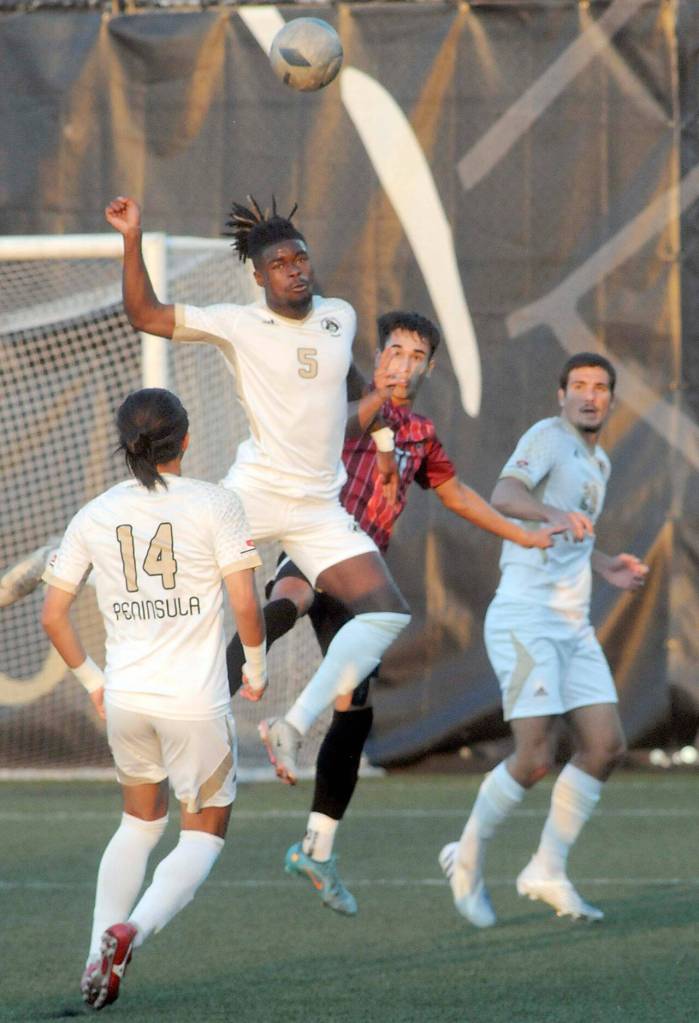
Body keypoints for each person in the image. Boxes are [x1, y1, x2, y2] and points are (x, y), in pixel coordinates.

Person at [227, 310, 562, 915]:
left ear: (429, 368)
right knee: (287, 599)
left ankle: (317, 848)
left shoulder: (420, 434)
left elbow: (455, 494)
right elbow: (333, 382)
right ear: (377, 355)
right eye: (394, 351)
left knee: (354, 712)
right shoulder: (347, 399)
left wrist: (520, 532)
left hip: (361, 580)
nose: (401, 364)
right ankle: (217, 701)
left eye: (415, 357)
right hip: (316, 543)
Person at [100, 194, 412, 785]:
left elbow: (345, 404)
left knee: (388, 613)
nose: (295, 269)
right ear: (259, 274)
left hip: (319, 507)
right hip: (256, 491)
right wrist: (132, 239)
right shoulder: (238, 324)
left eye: (301, 259)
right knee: (162, 564)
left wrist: (387, 445)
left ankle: (291, 725)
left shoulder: (338, 316)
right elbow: (145, 315)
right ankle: (59, 564)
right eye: (281, 264)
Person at [41, 388, 266, 1010]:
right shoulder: (218, 503)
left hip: (128, 699)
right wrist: (255, 666)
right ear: (186, 440)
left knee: (138, 825)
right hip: (192, 702)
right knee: (204, 832)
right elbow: (245, 603)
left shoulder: (93, 513)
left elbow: (54, 616)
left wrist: (93, 684)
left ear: (124, 444)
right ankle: (130, 933)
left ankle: (95, 957)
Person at [438, 352, 649, 928]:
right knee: (533, 758)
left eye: (601, 387)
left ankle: (546, 869)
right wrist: (550, 511)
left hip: (572, 625)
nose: (589, 395)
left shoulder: (598, 461)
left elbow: (570, 532)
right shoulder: (549, 437)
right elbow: (506, 495)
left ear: (610, 399)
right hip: (526, 618)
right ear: (561, 395)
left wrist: (606, 566)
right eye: (579, 386)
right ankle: (467, 858)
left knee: (605, 746)